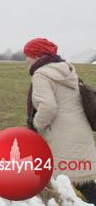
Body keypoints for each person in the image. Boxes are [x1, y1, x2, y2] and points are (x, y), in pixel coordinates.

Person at [24, 38, 96, 203]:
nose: (26, 60)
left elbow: (48, 107)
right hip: (79, 133)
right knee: (81, 181)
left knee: (66, 182)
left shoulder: (41, 74)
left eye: (28, 55)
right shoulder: (67, 70)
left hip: (60, 136)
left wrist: (37, 125)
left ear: (37, 56)